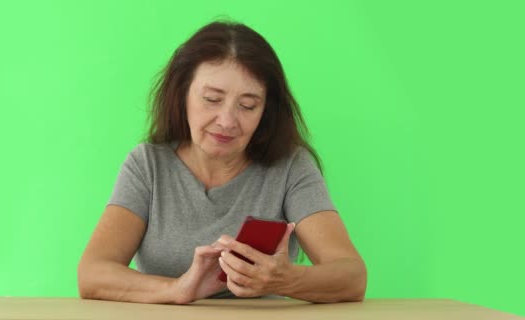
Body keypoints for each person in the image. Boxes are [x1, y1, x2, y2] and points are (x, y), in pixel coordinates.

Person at [77, 20, 367, 304]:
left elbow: (352, 276)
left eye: (248, 105)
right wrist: (179, 289)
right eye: (212, 99)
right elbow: (92, 274)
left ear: (266, 110)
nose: (227, 121)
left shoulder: (291, 166)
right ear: (182, 95)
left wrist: (286, 280)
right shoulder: (148, 165)